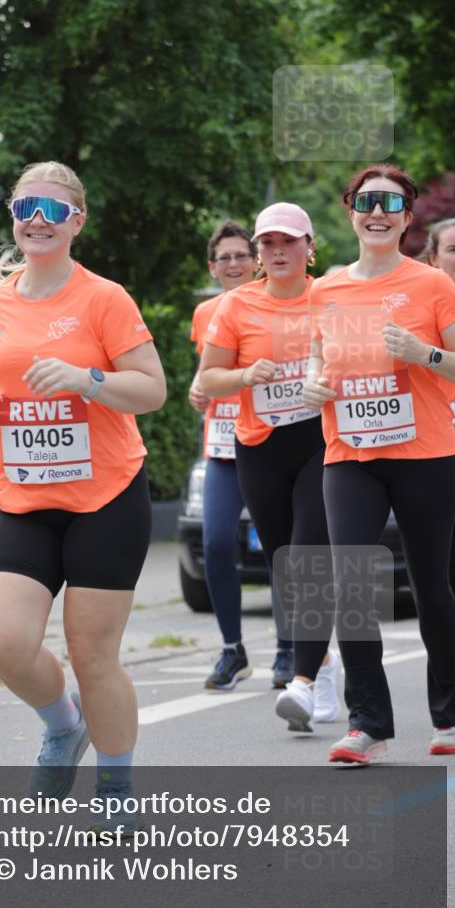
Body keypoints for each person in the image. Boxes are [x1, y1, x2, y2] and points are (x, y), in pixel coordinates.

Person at [0, 161, 166, 829]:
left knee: (92, 653)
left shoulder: (104, 298)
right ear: (13, 219)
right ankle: (61, 724)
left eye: (51, 208)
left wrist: (86, 378)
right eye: (25, 209)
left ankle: (115, 785)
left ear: (76, 220)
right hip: (25, 496)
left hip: (106, 493)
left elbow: (152, 390)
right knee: (3, 642)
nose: (37, 221)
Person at [304, 166, 455, 764]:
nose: (378, 212)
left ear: (406, 216)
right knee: (350, 582)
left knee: (431, 586)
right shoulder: (326, 290)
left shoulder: (431, 285)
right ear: (350, 211)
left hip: (424, 453)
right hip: (350, 454)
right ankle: (367, 720)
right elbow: (318, 361)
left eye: (390, 203)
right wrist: (314, 384)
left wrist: (423, 353)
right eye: (367, 201)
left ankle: (450, 713)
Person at [200, 203, 341, 726]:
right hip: (258, 447)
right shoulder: (235, 307)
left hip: (320, 442)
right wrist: (243, 376)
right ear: (260, 253)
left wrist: (325, 379)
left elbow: (361, 360)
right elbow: (208, 379)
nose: (278, 252)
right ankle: (322, 662)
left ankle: (305, 681)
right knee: (285, 566)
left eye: (288, 242)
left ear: (309, 247)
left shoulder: (331, 296)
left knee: (307, 559)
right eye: (269, 244)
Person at [188, 220, 258, 690]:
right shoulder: (206, 313)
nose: (234, 264)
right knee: (215, 543)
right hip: (223, 446)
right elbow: (206, 375)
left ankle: (296, 650)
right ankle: (232, 648)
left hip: (274, 443)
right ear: (213, 268)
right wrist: (198, 391)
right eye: (225, 258)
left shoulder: (281, 305)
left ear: (256, 262)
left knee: (284, 547)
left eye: (241, 256)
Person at [424, 217, 455, 688]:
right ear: (433, 259)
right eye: (453, 249)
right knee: (446, 561)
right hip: (436, 451)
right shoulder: (423, 306)